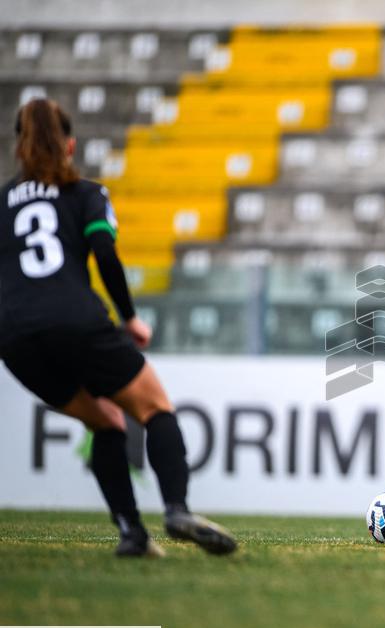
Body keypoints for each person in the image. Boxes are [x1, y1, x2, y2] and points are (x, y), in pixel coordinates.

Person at [0, 99, 237, 558]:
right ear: (70, 146)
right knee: (155, 407)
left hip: (14, 337)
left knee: (105, 419)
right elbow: (105, 253)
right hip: (76, 318)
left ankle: (132, 533)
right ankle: (177, 510)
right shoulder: (85, 193)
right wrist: (129, 317)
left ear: (19, 148)